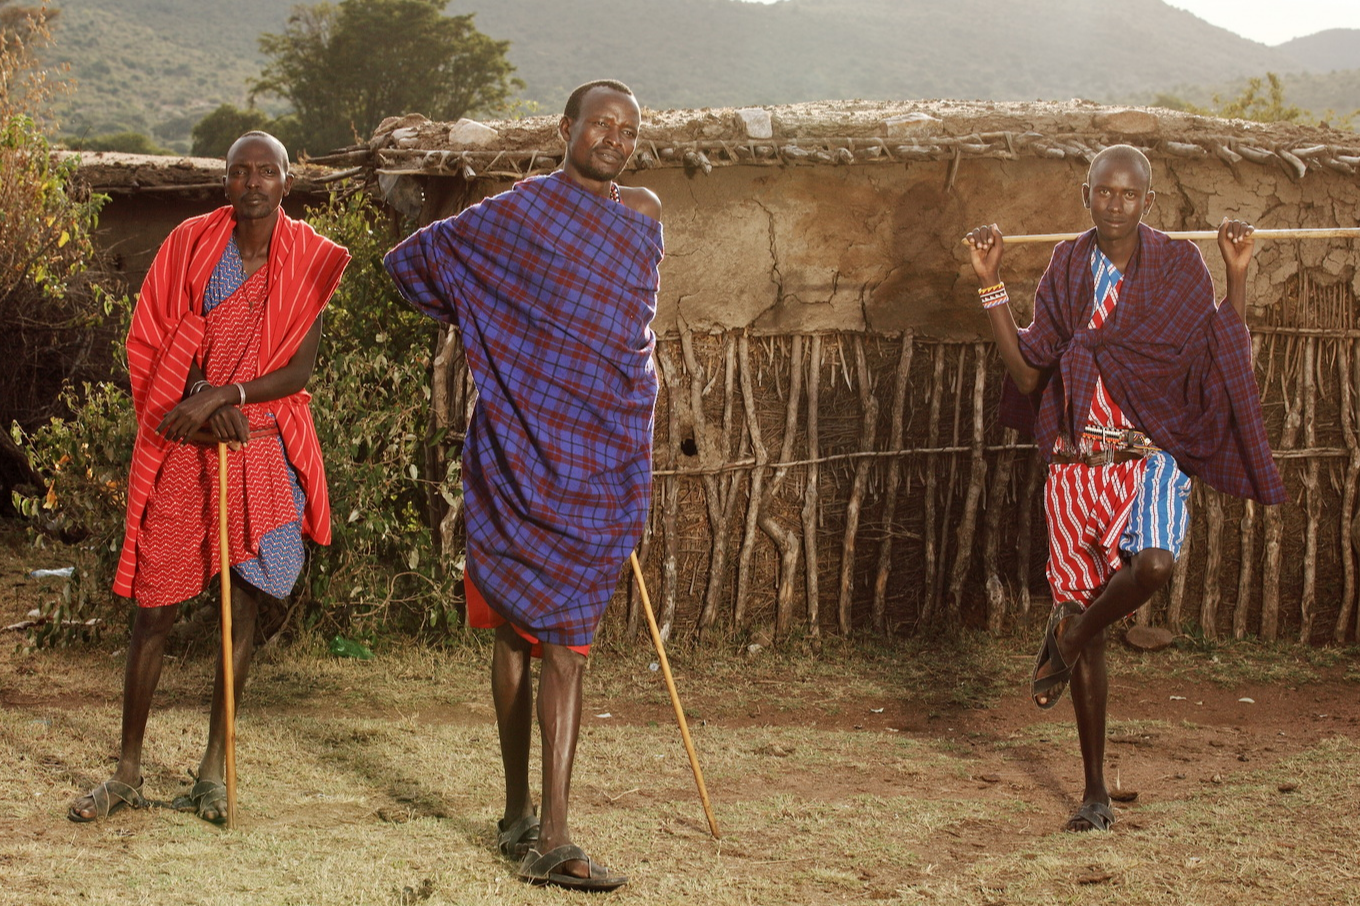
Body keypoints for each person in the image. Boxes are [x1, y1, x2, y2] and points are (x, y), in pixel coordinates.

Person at [384, 79, 662, 891]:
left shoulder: (641, 215)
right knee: (513, 633)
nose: (614, 138)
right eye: (600, 124)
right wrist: (489, 318)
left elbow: (631, 326)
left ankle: (551, 830)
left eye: (627, 129)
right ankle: (520, 819)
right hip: (519, 448)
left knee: (566, 647)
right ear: (565, 129)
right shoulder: (514, 214)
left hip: (598, 453)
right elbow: (414, 266)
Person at [964, 144, 1285, 832]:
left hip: (1150, 458)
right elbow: (1027, 376)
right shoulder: (1066, 266)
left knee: (1155, 564)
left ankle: (1070, 634)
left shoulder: (1177, 266)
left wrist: (1236, 275)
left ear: (1148, 202)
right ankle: (1093, 794)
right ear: (1086, 196)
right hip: (1077, 466)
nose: (1114, 205)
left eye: (1127, 195)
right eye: (1102, 194)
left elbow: (1220, 351)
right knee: (1094, 624)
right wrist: (990, 284)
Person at [68, 131, 350, 824]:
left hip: (256, 440)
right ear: (226, 181)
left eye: (265, 172)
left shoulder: (307, 260)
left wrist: (229, 397)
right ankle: (128, 772)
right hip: (183, 438)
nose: (251, 182)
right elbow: (150, 338)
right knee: (154, 608)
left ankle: (211, 775)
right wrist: (196, 393)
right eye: (239, 171)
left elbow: (299, 371)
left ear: (287, 181)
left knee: (242, 603)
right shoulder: (190, 245)